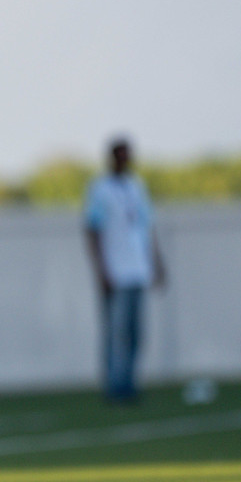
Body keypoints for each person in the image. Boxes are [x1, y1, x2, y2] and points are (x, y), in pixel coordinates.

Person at [84, 136, 167, 402]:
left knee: (134, 332)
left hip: (137, 269)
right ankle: (114, 385)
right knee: (115, 331)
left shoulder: (136, 186)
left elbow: (146, 227)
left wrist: (156, 263)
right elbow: (92, 230)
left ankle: (129, 382)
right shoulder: (100, 189)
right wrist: (101, 270)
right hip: (115, 271)